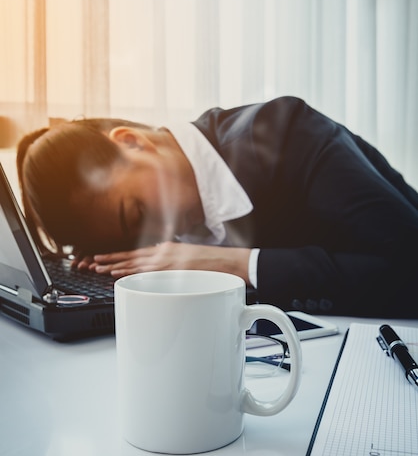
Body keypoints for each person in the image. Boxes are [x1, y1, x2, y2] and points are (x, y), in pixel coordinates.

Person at [16, 96, 418, 318]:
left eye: (136, 214)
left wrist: (234, 264)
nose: (154, 241)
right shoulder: (160, 217)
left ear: (131, 141)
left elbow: (409, 272)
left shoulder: (287, 135)